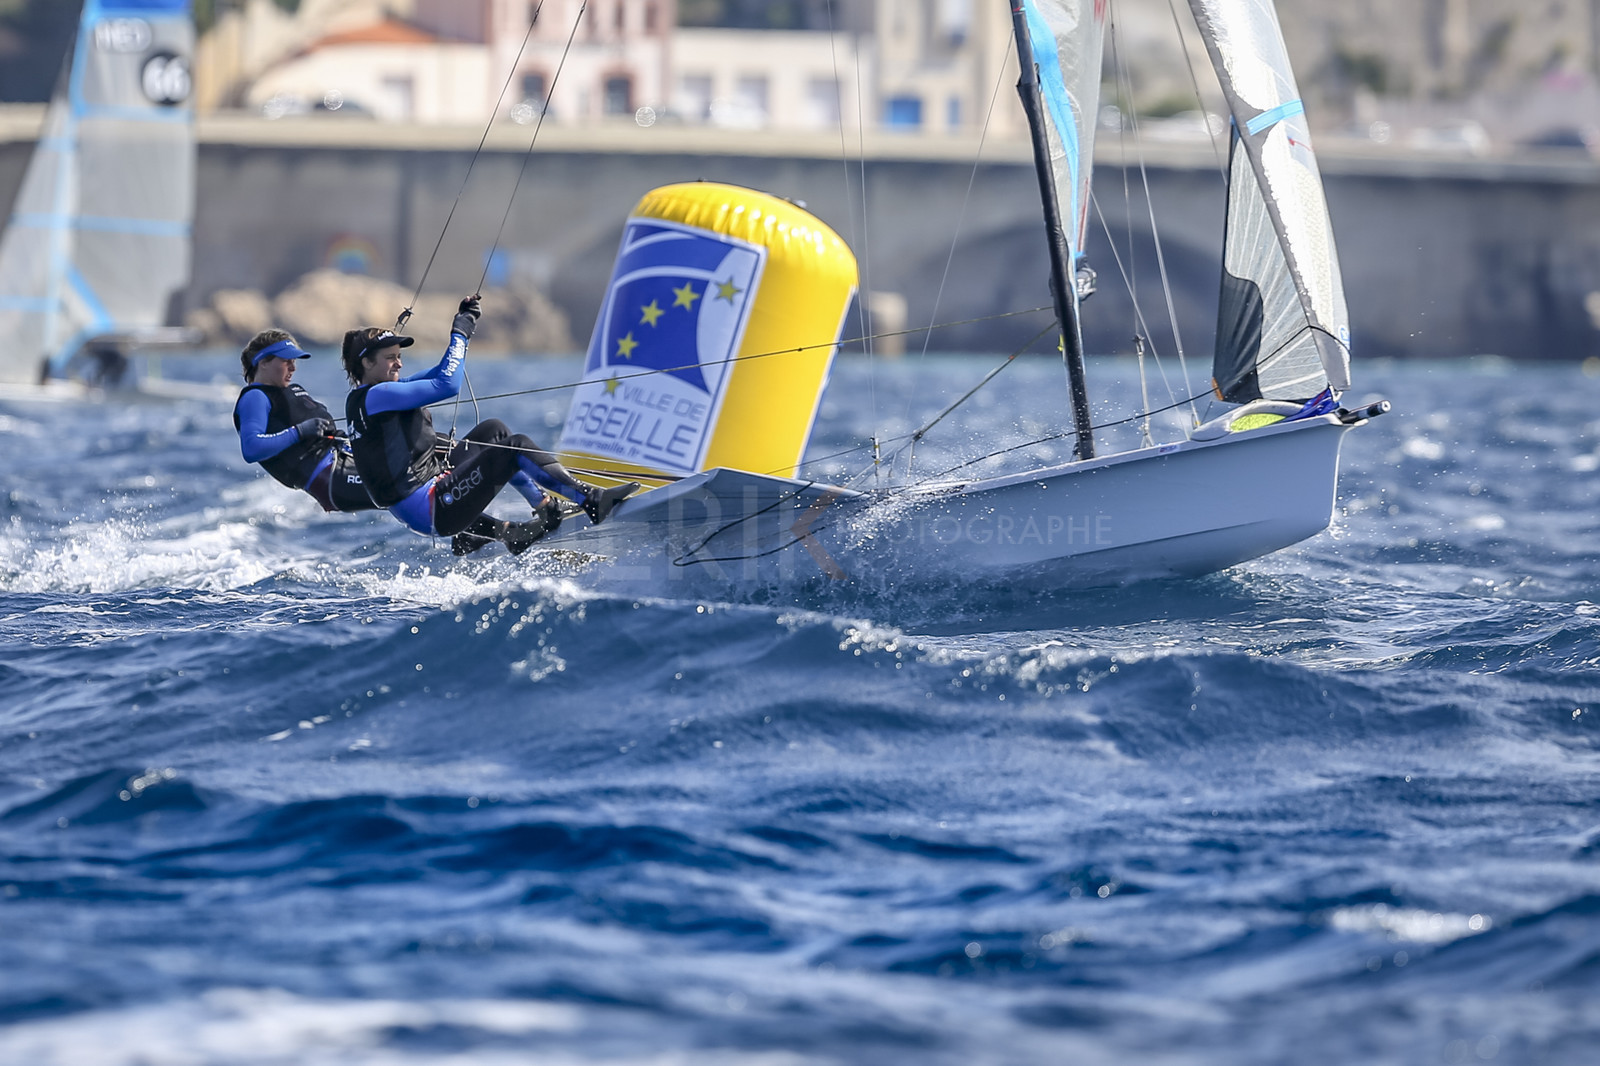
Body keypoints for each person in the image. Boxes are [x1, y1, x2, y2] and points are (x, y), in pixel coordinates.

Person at [342, 296, 638, 555]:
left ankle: (546, 509)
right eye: (390, 358)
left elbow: (441, 371)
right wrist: (459, 333)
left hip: (428, 497)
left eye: (399, 357)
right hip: (433, 509)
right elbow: (448, 384)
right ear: (366, 363)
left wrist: (465, 325)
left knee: (493, 431)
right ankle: (591, 500)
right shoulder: (379, 395)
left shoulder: (367, 396)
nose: (399, 364)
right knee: (514, 447)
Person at [233, 329, 379, 514]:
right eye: (286, 361)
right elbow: (251, 448)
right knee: (402, 485)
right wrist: (299, 431)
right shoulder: (255, 397)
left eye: (294, 362)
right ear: (263, 363)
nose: (293, 368)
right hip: (331, 477)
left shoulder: (292, 390)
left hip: (346, 458)